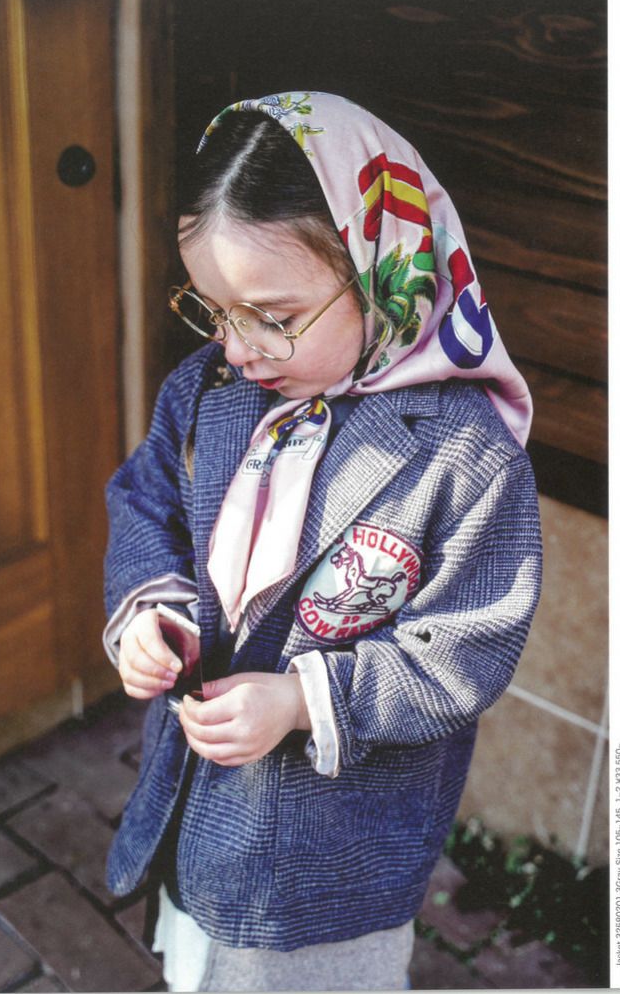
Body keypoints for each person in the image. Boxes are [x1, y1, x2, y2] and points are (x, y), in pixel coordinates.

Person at [102, 91, 543, 991]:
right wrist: (152, 610)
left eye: (275, 316)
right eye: (214, 309)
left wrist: (305, 699)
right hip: (199, 815)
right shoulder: (206, 391)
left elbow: (464, 647)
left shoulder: (464, 456)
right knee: (203, 966)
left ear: (383, 271)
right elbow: (148, 503)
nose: (240, 347)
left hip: (329, 856)